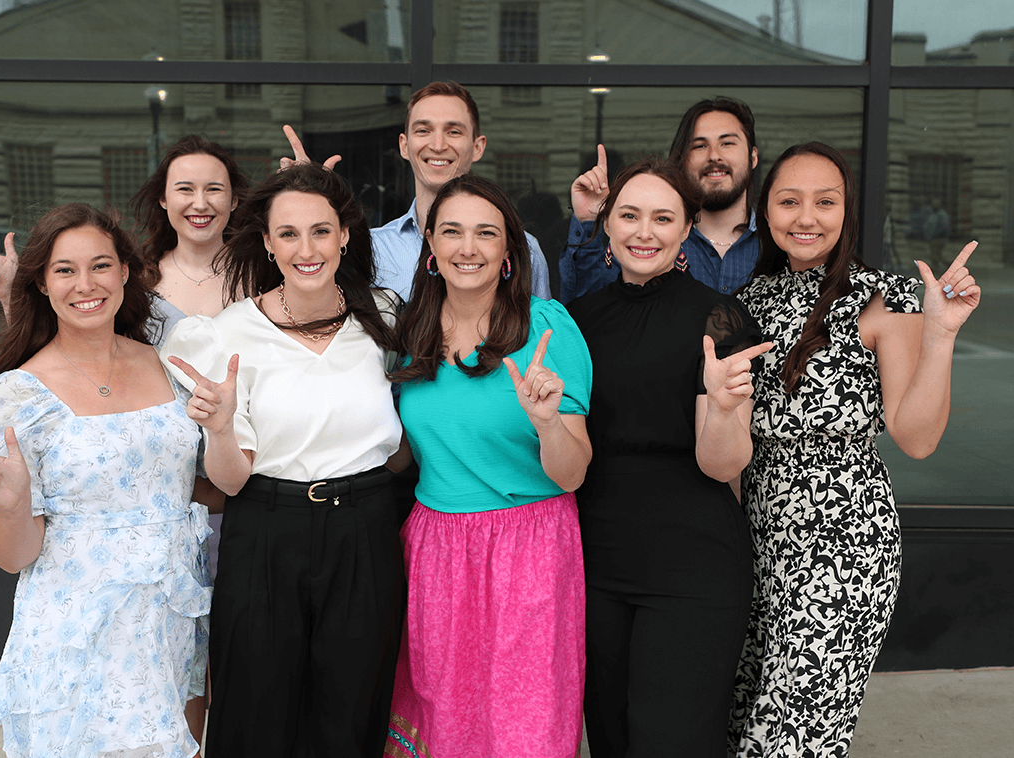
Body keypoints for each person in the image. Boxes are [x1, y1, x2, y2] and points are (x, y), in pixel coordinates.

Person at [730, 142, 981, 757]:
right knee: (739, 723)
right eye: (789, 201)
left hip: (843, 548)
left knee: (791, 740)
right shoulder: (746, 301)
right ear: (765, 210)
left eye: (826, 201)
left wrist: (940, 335)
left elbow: (917, 438)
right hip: (755, 540)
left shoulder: (884, 297)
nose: (806, 216)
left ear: (849, 212)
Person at [0, 203, 211, 758]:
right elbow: (10, 556)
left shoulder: (171, 367)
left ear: (125, 272)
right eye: (65, 270)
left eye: (100, 265)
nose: (85, 284)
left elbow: (205, 486)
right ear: (41, 283)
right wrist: (14, 505)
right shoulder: (20, 393)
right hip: (74, 637)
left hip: (167, 628)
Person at [161, 162, 409, 757]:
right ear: (268, 243)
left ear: (345, 235)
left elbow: (407, 430)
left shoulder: (384, 316)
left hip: (365, 529)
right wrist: (219, 428)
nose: (307, 249)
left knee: (351, 712)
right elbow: (231, 477)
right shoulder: (224, 335)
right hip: (267, 530)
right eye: (289, 234)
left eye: (321, 231)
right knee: (255, 713)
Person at [566, 157, 771, 758]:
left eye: (663, 218)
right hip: (596, 563)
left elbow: (723, 465)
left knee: (671, 742)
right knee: (611, 736)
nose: (644, 231)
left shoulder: (719, 318)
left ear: (686, 230)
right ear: (607, 225)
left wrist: (729, 407)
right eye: (629, 215)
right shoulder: (579, 321)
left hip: (693, 564)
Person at [384, 174, 592, 758]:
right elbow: (401, 453)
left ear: (509, 253)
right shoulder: (411, 332)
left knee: (525, 729)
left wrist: (549, 422)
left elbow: (572, 472)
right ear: (431, 247)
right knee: (444, 722)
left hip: (530, 548)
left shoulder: (546, 327)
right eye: (451, 232)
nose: (467, 247)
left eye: (485, 233)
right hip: (435, 549)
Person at [0, 134, 248, 345]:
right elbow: (63, 356)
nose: (199, 204)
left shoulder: (263, 274)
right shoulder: (133, 277)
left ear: (234, 200)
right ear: (163, 198)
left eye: (213, 190)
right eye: (185, 189)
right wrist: (11, 293)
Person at [280, 81, 553, 301]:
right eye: (423, 130)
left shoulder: (522, 249)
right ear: (404, 145)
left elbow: (540, 341)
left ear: (478, 146)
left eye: (453, 131)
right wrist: (304, 200)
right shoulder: (372, 248)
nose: (437, 144)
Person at [561, 96, 761, 302]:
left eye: (727, 143)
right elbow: (585, 312)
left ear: (753, 157)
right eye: (700, 146)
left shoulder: (778, 242)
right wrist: (589, 220)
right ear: (681, 160)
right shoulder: (652, 241)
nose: (714, 156)